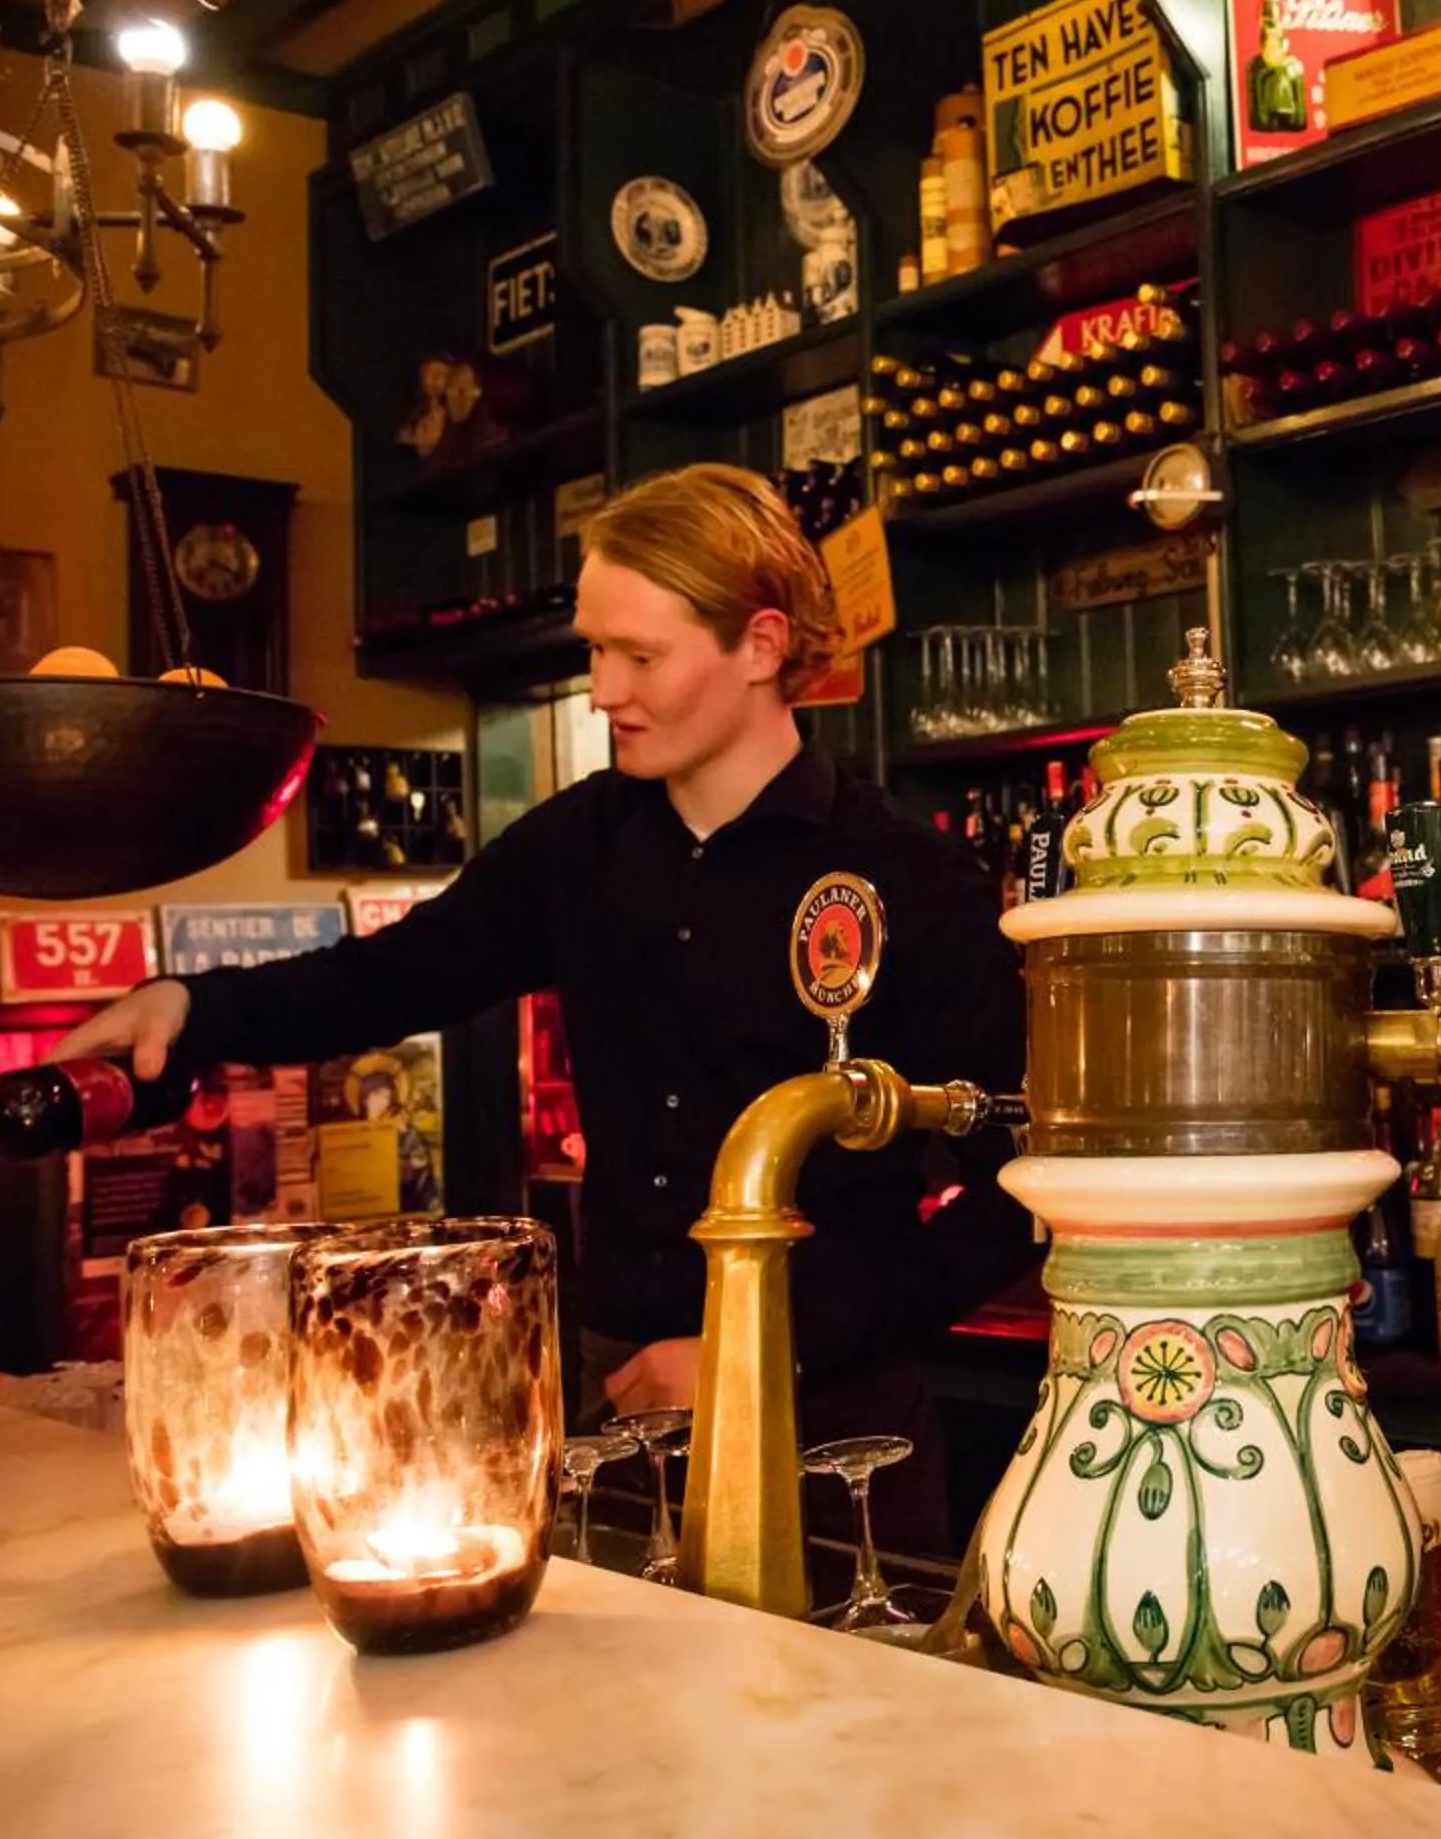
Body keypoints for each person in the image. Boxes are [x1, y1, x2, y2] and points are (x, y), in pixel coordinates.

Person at [58, 463, 1034, 1544]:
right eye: (594, 650)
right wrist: (188, 1005)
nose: (605, 690)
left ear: (760, 646)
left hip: (840, 1436)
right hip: (620, 1408)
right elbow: (393, 973)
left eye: (641, 655)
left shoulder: (911, 882)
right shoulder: (581, 844)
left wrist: (761, 1345)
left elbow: (1015, 1191)